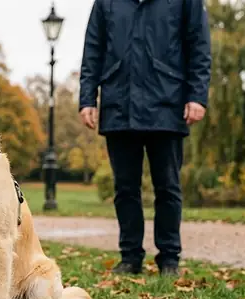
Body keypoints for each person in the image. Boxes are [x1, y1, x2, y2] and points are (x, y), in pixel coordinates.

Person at [79, 0, 211, 276]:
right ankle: (130, 258)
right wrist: (87, 99)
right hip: (119, 104)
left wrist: (197, 96)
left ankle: (170, 259)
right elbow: (93, 50)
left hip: (167, 102)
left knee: (168, 187)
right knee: (125, 189)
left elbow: (199, 45)